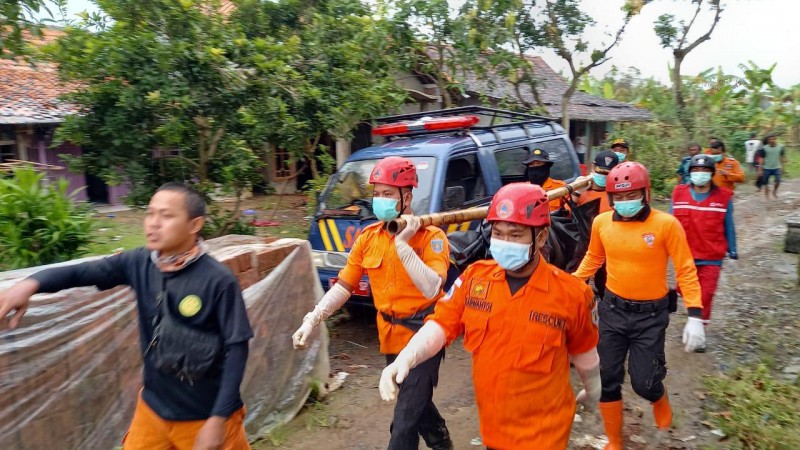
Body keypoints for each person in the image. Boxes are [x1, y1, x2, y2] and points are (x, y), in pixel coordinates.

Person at [0, 183, 253, 450]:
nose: (153, 224)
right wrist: (30, 284)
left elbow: (237, 349)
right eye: (150, 213)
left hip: (205, 415)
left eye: (166, 216)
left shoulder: (217, 280)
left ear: (194, 225)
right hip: (153, 410)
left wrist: (217, 420)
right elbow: (82, 272)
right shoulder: (138, 263)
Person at [379, 183, 601, 449]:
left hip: (545, 435)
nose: (504, 243)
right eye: (498, 233)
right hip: (494, 431)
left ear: (541, 238)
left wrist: (593, 389)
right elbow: (440, 324)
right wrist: (407, 356)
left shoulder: (572, 294)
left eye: (515, 235)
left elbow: (585, 355)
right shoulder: (474, 279)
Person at [292, 156, 453, 450]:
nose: (380, 200)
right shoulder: (368, 238)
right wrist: (313, 318)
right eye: (376, 193)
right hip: (391, 336)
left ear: (407, 196)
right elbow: (344, 286)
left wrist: (403, 246)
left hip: (425, 333)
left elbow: (432, 287)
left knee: (403, 420)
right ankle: (440, 439)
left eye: (388, 194)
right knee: (415, 400)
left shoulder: (432, 237)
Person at [572, 162, 705, 450]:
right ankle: (615, 441)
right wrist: (571, 283)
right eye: (617, 197)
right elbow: (593, 259)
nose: (624, 203)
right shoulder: (601, 223)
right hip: (612, 311)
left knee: (644, 383)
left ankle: (659, 397)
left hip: (651, 316)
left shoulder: (666, 225)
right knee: (607, 377)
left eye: (631, 195)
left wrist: (695, 314)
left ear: (646, 193)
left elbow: (685, 269)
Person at [671, 155, 737, 349]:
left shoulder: (723, 197)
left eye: (705, 171)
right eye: (696, 171)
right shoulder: (679, 194)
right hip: (685, 256)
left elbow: (729, 226)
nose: (700, 174)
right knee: (685, 291)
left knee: (705, 294)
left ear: (712, 174)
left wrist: (733, 250)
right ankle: (694, 319)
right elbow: (669, 223)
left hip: (711, 257)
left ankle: (699, 333)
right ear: (689, 173)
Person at [574, 150, 620, 300]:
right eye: (600, 171)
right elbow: (565, 216)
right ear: (593, 168)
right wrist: (575, 194)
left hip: (608, 251)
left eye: (608, 173)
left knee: (606, 288)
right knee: (577, 288)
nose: (603, 176)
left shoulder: (618, 197)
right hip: (581, 250)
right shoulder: (580, 190)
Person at [759, 134, 787, 199]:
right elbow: (762, 159)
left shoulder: (780, 147)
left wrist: (783, 167)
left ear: (775, 139)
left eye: (773, 139)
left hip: (777, 167)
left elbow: (782, 157)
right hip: (766, 168)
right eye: (770, 139)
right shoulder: (764, 148)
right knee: (765, 183)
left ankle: (774, 191)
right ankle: (767, 197)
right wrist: (760, 169)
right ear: (768, 140)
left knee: (778, 181)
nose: (772, 140)